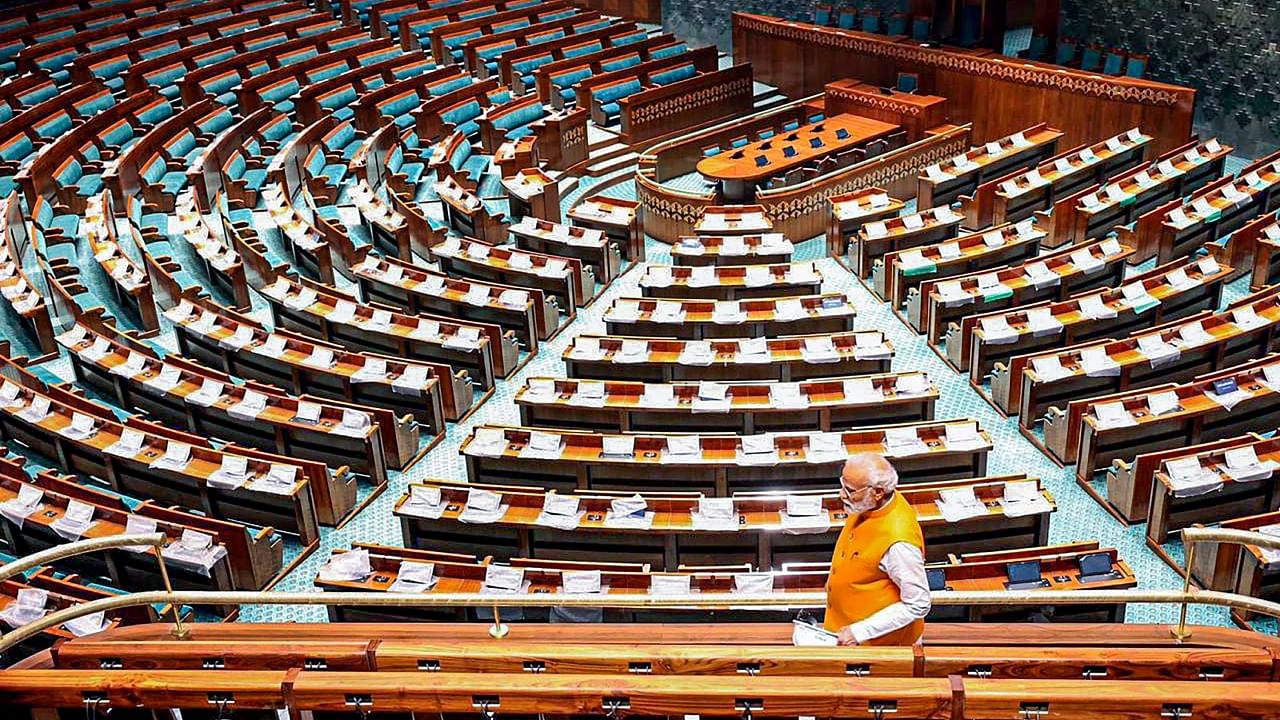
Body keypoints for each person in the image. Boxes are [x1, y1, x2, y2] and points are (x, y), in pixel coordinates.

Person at [824, 453, 931, 645]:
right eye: (842, 485)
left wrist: (860, 631)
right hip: (843, 628)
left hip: (879, 645)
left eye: (849, 490)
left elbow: (918, 604)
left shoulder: (899, 543)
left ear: (878, 492)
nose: (841, 495)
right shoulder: (869, 504)